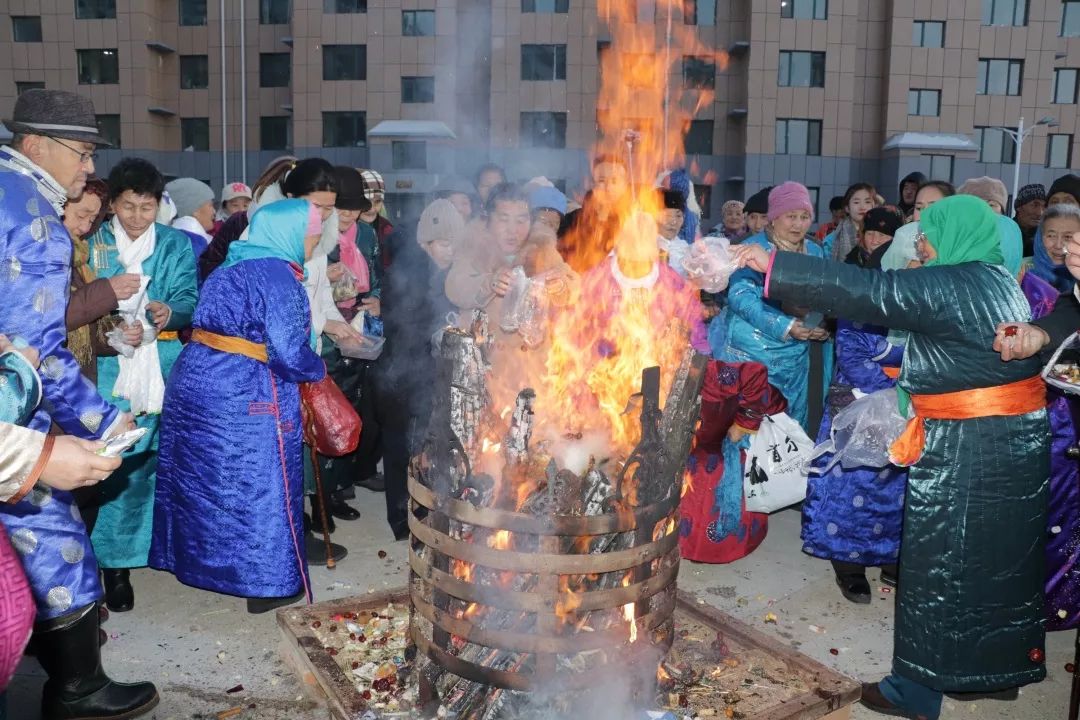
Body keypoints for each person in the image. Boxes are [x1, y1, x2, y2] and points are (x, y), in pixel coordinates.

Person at [734, 195, 1049, 720]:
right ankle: (987, 675)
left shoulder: (948, 282)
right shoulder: (996, 279)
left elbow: (869, 292)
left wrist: (775, 264)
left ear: (953, 236)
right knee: (995, 565)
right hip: (1012, 446)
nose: (919, 242)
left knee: (937, 567)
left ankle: (915, 692)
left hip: (964, 449)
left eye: (928, 233)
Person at [0, 87, 157, 720]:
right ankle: (78, 689)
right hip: (15, 425)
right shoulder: (33, 214)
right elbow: (35, 352)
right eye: (83, 151)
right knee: (55, 539)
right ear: (37, 144)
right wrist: (100, 418)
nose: (89, 168)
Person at [150, 200, 328, 614]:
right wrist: (318, 368)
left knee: (207, 483)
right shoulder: (277, 276)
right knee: (259, 483)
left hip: (195, 381)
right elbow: (286, 352)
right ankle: (267, 583)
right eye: (313, 231)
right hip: (245, 388)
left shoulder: (232, 263)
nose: (317, 240)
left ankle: (202, 565)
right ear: (292, 234)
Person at [88, 158, 199, 613]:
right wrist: (113, 320)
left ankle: (139, 555)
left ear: (160, 206)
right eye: (128, 206)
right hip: (109, 372)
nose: (137, 217)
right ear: (112, 204)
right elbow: (77, 304)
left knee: (151, 467)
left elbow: (191, 299)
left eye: (147, 207)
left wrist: (167, 312)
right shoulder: (93, 244)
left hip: (161, 369)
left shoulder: (175, 244)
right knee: (114, 465)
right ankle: (110, 565)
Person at [804, 206, 906, 604]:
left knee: (896, 489)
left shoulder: (923, 297)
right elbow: (851, 352)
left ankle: (894, 561)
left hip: (906, 404)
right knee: (853, 485)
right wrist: (892, 388)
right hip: (859, 404)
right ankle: (849, 566)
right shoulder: (859, 295)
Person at [379, 199, 465, 540]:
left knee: (427, 446)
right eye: (444, 244)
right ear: (425, 242)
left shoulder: (448, 272)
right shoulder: (409, 273)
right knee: (404, 448)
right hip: (404, 375)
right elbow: (406, 326)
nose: (451, 251)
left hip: (431, 375)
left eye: (456, 244)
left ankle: (424, 509)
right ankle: (402, 519)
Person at [713, 182, 828, 431]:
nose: (798, 224)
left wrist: (816, 323)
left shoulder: (815, 251)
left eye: (805, 217)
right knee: (748, 432)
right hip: (751, 353)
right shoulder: (753, 248)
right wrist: (785, 325)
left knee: (789, 431)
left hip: (795, 356)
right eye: (791, 217)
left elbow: (823, 293)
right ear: (774, 218)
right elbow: (741, 297)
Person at [63, 178, 141, 535]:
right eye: (80, 216)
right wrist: (106, 291)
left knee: (84, 495)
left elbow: (88, 330)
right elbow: (54, 318)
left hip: (78, 385)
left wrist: (119, 336)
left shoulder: (78, 256)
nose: (85, 227)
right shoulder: (42, 259)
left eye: (92, 219)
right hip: (53, 393)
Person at [318, 166, 382, 518]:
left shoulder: (368, 235)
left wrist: (376, 299)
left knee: (351, 411)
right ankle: (320, 499)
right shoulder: (315, 236)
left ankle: (339, 489)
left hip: (357, 329)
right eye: (340, 207)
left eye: (353, 208)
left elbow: (377, 279)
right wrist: (321, 278)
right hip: (325, 334)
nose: (346, 215)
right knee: (325, 414)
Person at [678, 361, 785, 563]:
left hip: (739, 427)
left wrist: (744, 424)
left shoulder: (710, 373)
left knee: (711, 470)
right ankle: (688, 542)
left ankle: (717, 547)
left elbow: (756, 374)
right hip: (708, 433)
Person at [558, 154, 631, 271]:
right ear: (592, 184)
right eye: (602, 181)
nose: (608, 188)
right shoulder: (573, 221)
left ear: (624, 185)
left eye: (614, 181)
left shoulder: (632, 222)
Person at [1025, 203, 1080, 293]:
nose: (1058, 245)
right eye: (1051, 236)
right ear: (1040, 237)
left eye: (1068, 237)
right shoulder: (1021, 271)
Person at [165, 177, 216, 258]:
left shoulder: (170, 239)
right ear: (194, 209)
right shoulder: (196, 245)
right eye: (210, 205)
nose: (214, 211)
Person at [824, 182, 876, 261]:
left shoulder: (882, 237)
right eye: (856, 202)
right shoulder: (830, 241)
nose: (862, 207)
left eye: (867, 202)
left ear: (874, 206)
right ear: (847, 208)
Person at [359, 169, 396, 268]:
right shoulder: (342, 229)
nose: (371, 208)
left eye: (377, 201)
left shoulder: (386, 230)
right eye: (366, 201)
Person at [656, 189, 689, 274]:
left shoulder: (685, 248)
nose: (673, 222)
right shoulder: (643, 247)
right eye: (666, 215)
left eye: (678, 215)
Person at [1013, 183, 1046, 256]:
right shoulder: (1005, 232)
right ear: (1019, 207)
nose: (1040, 213)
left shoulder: (1045, 237)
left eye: (1044, 206)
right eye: (1035, 205)